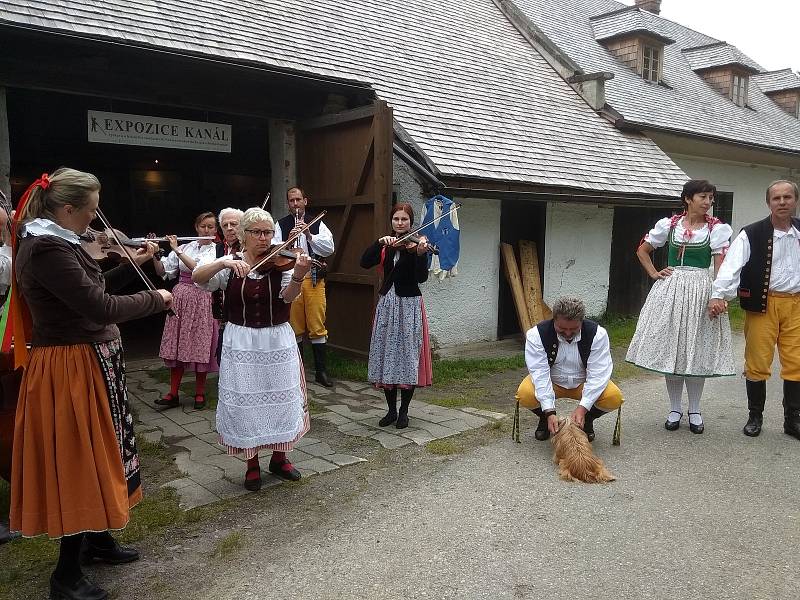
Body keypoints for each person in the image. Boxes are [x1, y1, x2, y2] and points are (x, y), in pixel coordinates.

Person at [9, 168, 172, 600]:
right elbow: (98, 307)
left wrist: (131, 267)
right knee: (80, 459)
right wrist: (156, 299)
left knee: (105, 451)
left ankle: (97, 542)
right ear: (66, 209)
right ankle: (65, 576)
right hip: (71, 364)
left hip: (89, 360)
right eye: (90, 213)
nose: (95, 223)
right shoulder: (45, 248)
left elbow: (92, 287)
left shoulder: (59, 242)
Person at [193, 207, 311, 490]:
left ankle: (280, 458)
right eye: (256, 232)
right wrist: (223, 263)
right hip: (242, 340)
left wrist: (298, 276)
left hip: (276, 339)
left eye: (267, 232)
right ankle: (252, 463)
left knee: (283, 398)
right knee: (248, 403)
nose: (263, 238)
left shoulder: (282, 260)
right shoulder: (230, 264)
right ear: (243, 235)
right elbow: (198, 278)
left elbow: (287, 298)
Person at [626, 180, 735, 434]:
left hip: (700, 290)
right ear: (688, 199)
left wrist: (718, 296)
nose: (708, 202)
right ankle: (674, 408)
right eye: (703, 197)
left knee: (695, 351)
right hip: (671, 290)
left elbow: (721, 265)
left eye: (711, 198)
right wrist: (654, 273)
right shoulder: (669, 225)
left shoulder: (717, 229)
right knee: (672, 350)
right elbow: (643, 250)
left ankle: (694, 410)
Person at [709, 180, 800, 440]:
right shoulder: (752, 233)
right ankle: (755, 416)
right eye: (776, 198)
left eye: (787, 197)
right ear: (768, 202)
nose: (782, 202)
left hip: (797, 305)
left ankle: (793, 420)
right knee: (757, 362)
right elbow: (731, 266)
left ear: (795, 200)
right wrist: (718, 294)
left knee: (797, 363)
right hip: (764, 305)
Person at [360, 202, 433, 429]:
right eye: (396, 219)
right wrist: (379, 242)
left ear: (411, 222)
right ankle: (391, 410)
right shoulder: (387, 245)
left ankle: (404, 411)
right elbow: (364, 262)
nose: (400, 223)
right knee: (386, 355)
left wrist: (420, 255)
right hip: (387, 304)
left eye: (404, 220)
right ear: (391, 221)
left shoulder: (417, 244)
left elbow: (421, 279)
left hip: (409, 306)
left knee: (407, 356)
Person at [515, 296, 622, 442]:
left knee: (613, 397)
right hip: (553, 382)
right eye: (562, 328)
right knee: (524, 394)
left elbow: (599, 374)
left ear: (581, 321)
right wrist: (549, 411)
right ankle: (545, 419)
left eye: (574, 328)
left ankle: (587, 420)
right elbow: (539, 373)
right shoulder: (536, 335)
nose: (568, 333)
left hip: (582, 382)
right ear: (554, 319)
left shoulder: (598, 334)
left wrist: (583, 408)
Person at [153, 212, 219, 410]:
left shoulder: (216, 250)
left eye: (210, 227)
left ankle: (199, 393)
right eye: (202, 226)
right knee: (177, 343)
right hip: (180, 297)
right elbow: (162, 271)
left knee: (200, 342)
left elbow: (198, 270)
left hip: (202, 297)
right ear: (196, 227)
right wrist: (155, 253)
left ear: (216, 230)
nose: (206, 230)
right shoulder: (185, 246)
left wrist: (176, 250)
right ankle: (173, 393)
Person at [273, 187, 335, 387]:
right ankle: (298, 372)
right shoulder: (281, 224)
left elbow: (329, 248)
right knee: (295, 326)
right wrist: (289, 241)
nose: (295, 204)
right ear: (288, 203)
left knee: (317, 323)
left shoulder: (316, 222)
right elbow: (274, 253)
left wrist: (309, 235)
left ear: (305, 201)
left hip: (314, 278)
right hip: (291, 279)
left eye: (298, 200)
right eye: (291, 201)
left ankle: (321, 371)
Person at [210, 208, 243, 365]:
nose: (229, 228)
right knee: (223, 356)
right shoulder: (215, 249)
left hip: (242, 312)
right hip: (222, 310)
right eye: (225, 225)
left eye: (234, 224)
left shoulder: (247, 248)